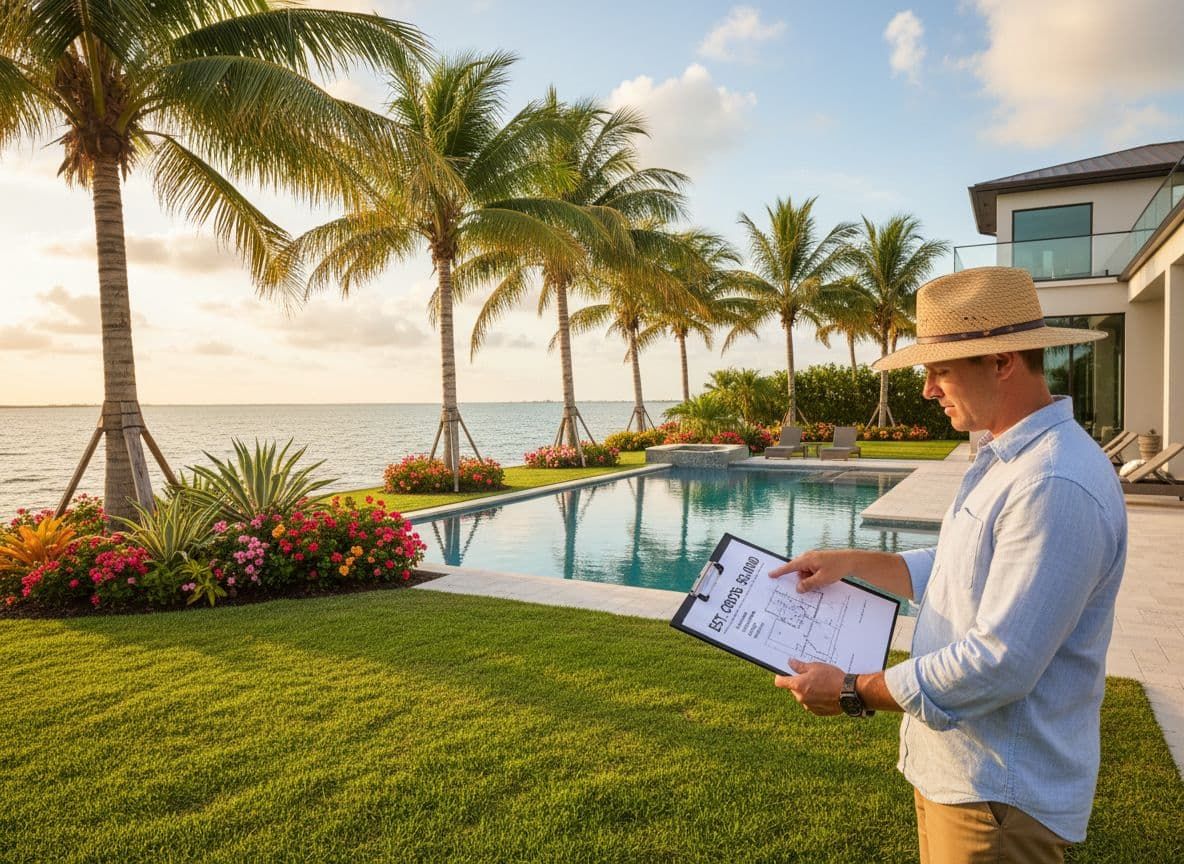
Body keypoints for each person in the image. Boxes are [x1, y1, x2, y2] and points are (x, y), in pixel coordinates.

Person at [771, 267, 1127, 864]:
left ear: (1003, 360)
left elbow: (999, 663)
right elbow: (958, 564)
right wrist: (850, 562)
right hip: (961, 779)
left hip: (997, 799)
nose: (930, 390)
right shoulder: (1006, 456)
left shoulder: (1052, 482)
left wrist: (855, 691)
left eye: (940, 370)